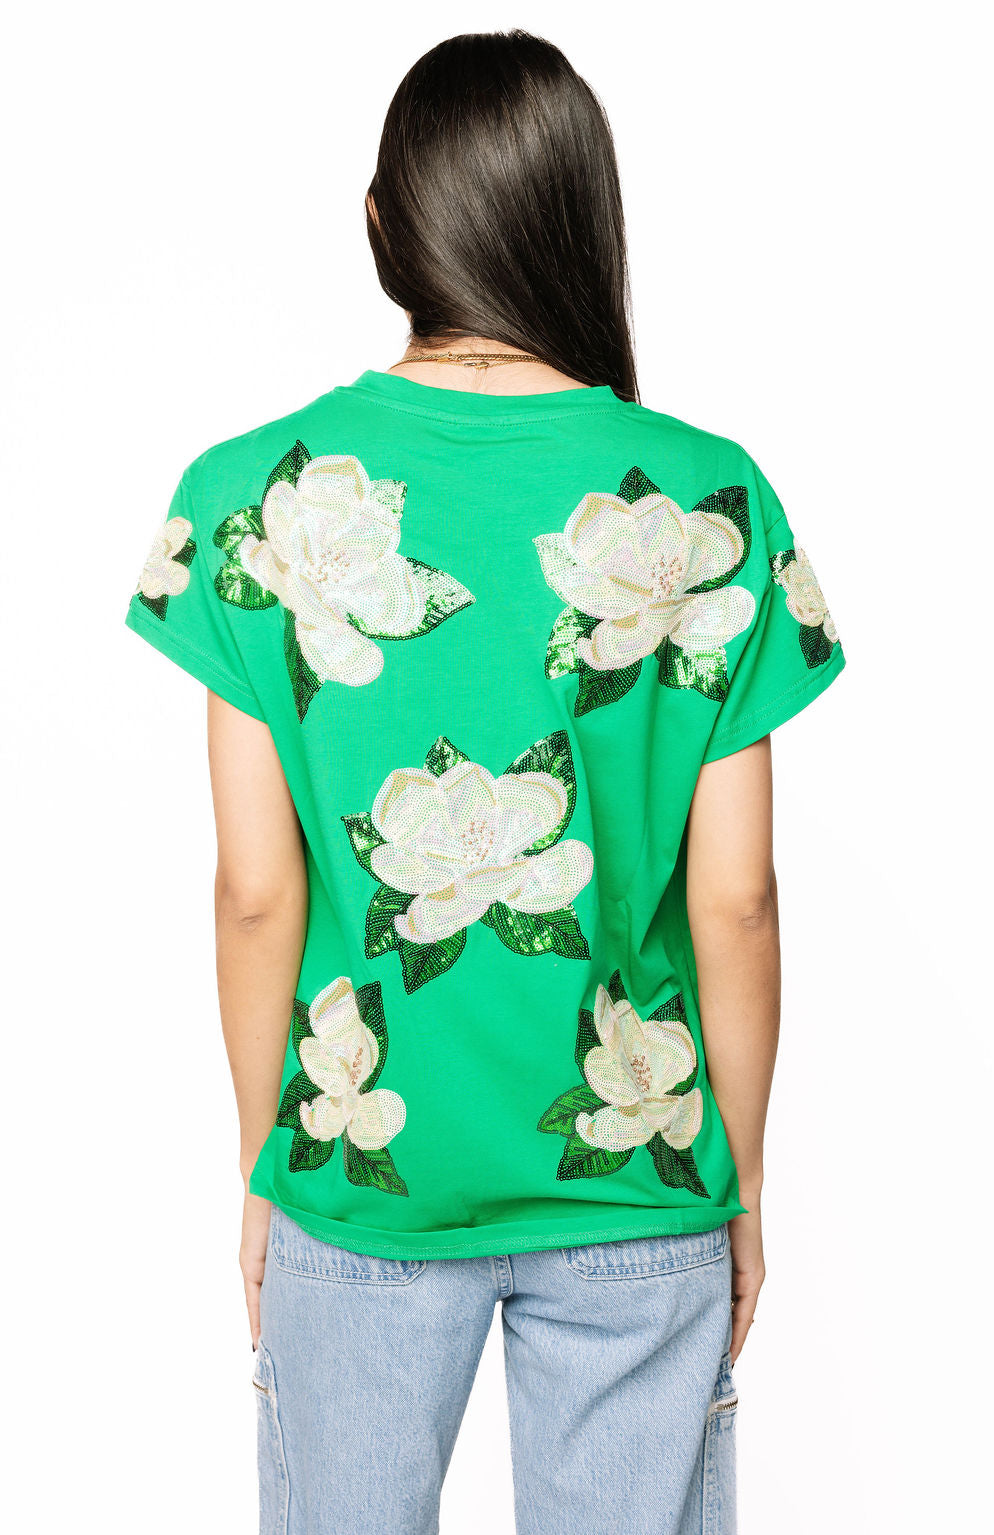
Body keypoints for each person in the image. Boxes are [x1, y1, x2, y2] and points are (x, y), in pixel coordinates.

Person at [125, 28, 845, 1535]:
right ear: (581, 220)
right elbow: (739, 897)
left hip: (360, 1172)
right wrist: (738, 1178)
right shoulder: (708, 501)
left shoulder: (252, 502)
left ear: (382, 224)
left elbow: (256, 892)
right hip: (637, 1166)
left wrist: (270, 1163)